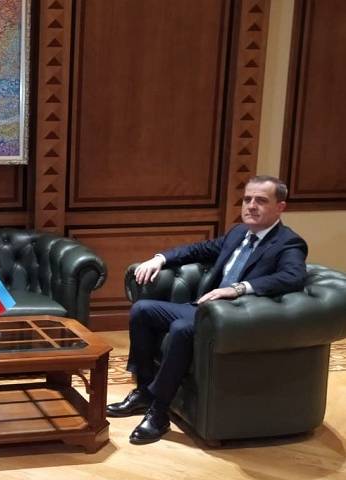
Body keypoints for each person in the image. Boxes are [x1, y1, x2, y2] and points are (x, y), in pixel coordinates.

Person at [108, 175, 308, 444]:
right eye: (247, 199)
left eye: (261, 200)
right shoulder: (239, 233)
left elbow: (292, 277)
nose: (251, 206)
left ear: (280, 207)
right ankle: (144, 391)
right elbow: (199, 249)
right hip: (205, 309)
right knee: (142, 310)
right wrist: (160, 258)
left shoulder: (288, 242)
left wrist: (238, 288)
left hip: (234, 318)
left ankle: (159, 412)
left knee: (182, 328)